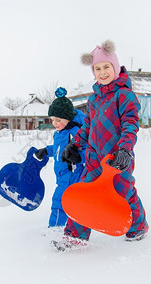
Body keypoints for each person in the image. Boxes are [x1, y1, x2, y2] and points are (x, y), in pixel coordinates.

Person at [57, 40, 149, 250]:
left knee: (124, 192)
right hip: (93, 159)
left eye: (106, 67)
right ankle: (74, 236)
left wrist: (125, 149)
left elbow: (130, 124)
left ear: (115, 68)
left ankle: (138, 226)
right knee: (85, 193)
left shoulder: (124, 95)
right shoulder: (93, 100)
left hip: (117, 159)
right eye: (97, 69)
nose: (103, 72)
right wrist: (76, 145)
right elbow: (87, 127)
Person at [35, 87, 86, 229]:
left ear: (68, 118)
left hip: (72, 174)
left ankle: (55, 229)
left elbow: (87, 151)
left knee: (59, 201)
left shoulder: (75, 132)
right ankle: (71, 229)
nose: (55, 123)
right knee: (70, 203)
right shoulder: (60, 133)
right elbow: (59, 150)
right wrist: (46, 150)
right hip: (63, 175)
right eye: (52, 120)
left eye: (58, 120)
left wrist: (78, 157)